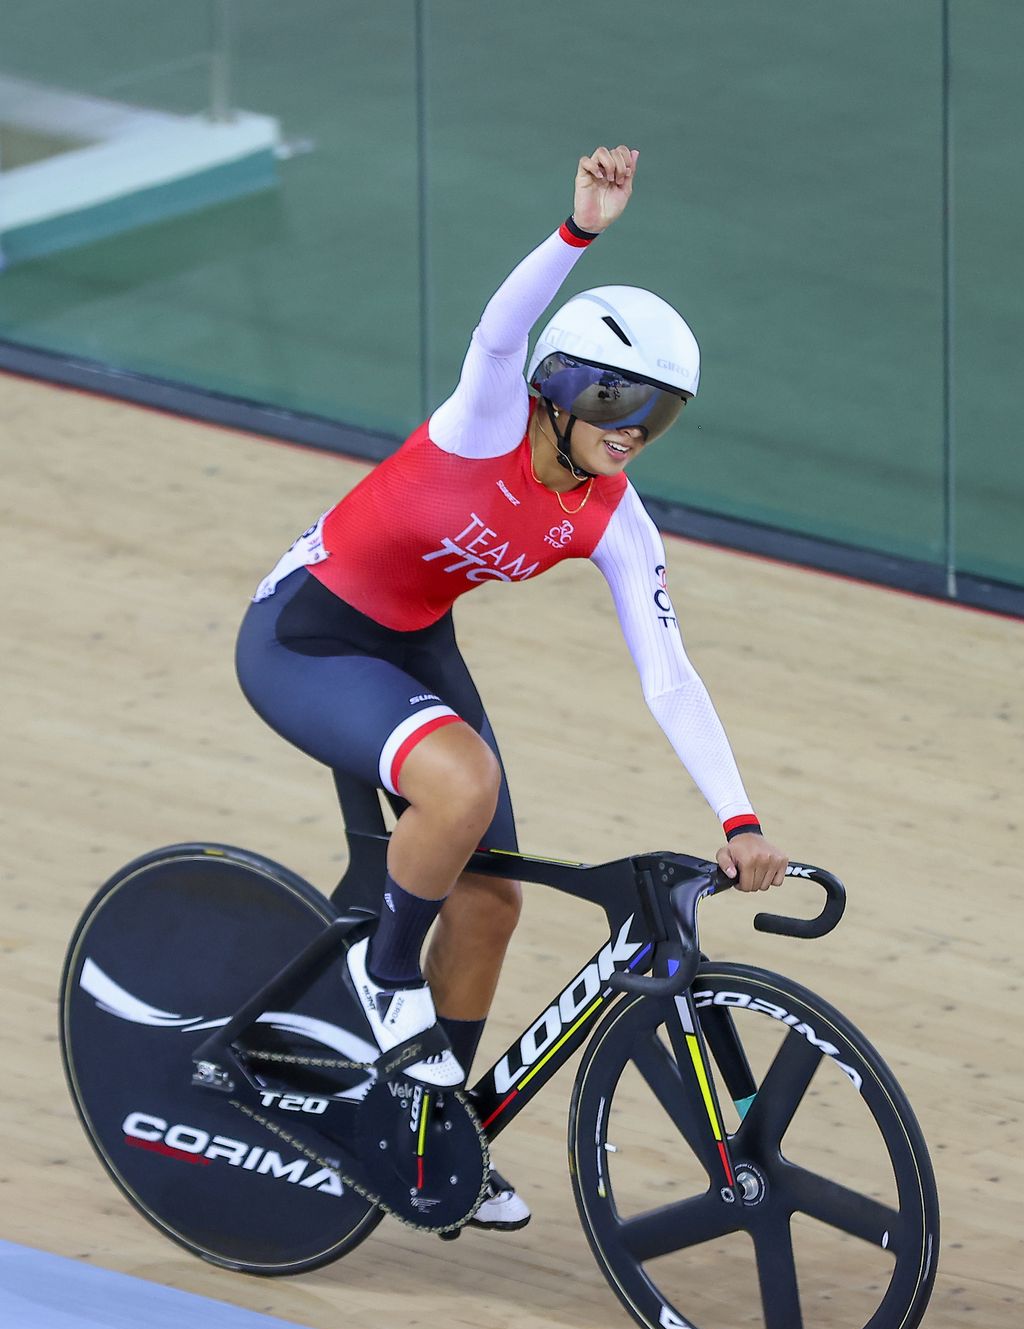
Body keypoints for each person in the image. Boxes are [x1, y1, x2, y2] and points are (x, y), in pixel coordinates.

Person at [236, 144, 787, 1232]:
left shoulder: (614, 514)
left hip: (405, 642)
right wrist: (576, 232)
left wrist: (740, 813)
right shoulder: (489, 415)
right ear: (567, 385)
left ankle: (426, 1128)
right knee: (464, 782)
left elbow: (667, 672)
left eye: (657, 415)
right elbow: (499, 327)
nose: (635, 432)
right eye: (623, 401)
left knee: (489, 898)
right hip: (302, 634)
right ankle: (386, 986)